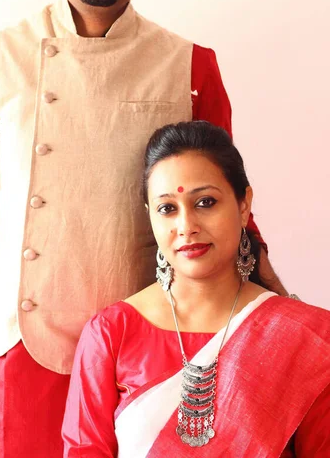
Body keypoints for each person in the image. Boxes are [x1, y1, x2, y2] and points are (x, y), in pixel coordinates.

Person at [0, 0, 285, 456]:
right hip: (17, 354)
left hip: (150, 352)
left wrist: (278, 314)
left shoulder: (191, 68)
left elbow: (221, 212)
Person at [62, 120, 330, 457]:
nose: (186, 227)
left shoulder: (306, 338)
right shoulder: (112, 333)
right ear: (151, 218)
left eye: (205, 202)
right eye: (167, 209)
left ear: (243, 204)